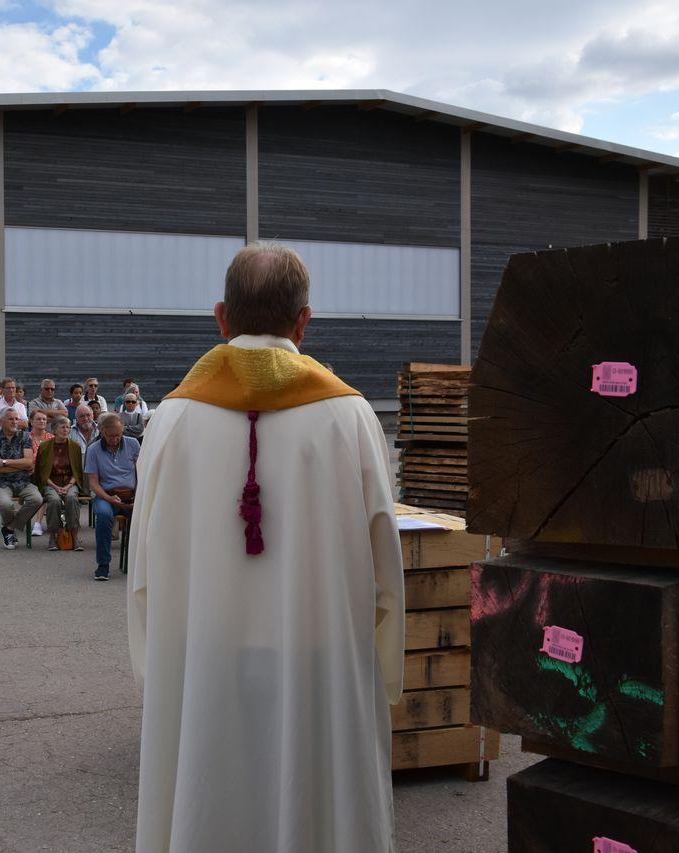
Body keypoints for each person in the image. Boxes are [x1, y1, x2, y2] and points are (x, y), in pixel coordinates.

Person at [126, 243, 405, 853]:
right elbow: (387, 563)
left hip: (206, 659)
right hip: (318, 663)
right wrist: (382, 664)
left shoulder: (170, 421)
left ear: (221, 317)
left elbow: (141, 564)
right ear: (303, 321)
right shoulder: (352, 417)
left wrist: (160, 659)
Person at [84, 413, 139, 582]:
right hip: (106, 494)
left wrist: (138, 495)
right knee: (104, 516)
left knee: (147, 517)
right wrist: (109, 498)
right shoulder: (93, 449)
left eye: (118, 435)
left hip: (132, 494)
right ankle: (103, 565)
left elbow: (141, 472)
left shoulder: (133, 444)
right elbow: (93, 482)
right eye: (110, 436)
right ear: (101, 432)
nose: (115, 439)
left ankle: (140, 564)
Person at [0, 407, 42, 551]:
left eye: (17, 419)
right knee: (6, 505)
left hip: (23, 481)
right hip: (0, 482)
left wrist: (5, 462)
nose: (15, 422)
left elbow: (29, 462)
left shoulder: (25, 437)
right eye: (11, 419)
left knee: (37, 499)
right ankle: (12, 529)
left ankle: (9, 528)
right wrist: (21, 464)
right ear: (3, 421)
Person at [33, 416, 85, 552]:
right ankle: (52, 535)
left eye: (68, 427)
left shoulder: (75, 446)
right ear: (54, 429)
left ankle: (74, 535)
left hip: (70, 482)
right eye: (62, 427)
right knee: (54, 500)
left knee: (72, 498)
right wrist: (55, 487)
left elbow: (77, 471)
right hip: (51, 483)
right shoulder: (45, 446)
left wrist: (68, 486)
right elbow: (42, 472)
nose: (66, 429)